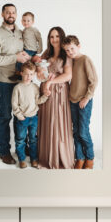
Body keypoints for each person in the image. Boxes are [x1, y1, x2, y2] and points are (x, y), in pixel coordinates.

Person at [0, 3, 31, 164]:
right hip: (6, 83)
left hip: (23, 82)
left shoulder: (22, 33)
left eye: (13, 12)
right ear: (2, 14)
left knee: (23, 116)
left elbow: (27, 53)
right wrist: (15, 57)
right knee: (5, 116)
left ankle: (23, 148)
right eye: (8, 12)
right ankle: (4, 151)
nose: (11, 15)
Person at [36, 26, 74, 170]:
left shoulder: (66, 55)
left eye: (57, 36)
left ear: (62, 37)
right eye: (51, 37)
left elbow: (68, 76)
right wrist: (41, 74)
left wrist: (51, 81)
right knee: (47, 122)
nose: (54, 39)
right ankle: (46, 156)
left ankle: (60, 157)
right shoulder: (47, 53)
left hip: (60, 93)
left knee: (58, 123)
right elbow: (40, 71)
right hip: (46, 92)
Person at [63, 35, 98, 170]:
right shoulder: (71, 62)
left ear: (78, 46)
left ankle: (90, 157)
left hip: (84, 101)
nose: (70, 52)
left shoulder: (85, 60)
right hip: (73, 101)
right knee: (76, 131)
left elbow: (93, 81)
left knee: (83, 131)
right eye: (67, 50)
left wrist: (87, 98)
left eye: (72, 48)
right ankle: (80, 158)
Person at [10, 62, 47, 168]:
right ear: (21, 73)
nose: (28, 77)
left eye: (31, 74)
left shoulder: (35, 87)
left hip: (34, 118)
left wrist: (45, 96)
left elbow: (38, 101)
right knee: (20, 140)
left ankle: (34, 159)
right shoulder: (18, 88)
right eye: (26, 74)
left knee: (33, 140)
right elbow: (14, 104)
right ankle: (22, 159)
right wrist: (19, 115)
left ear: (34, 74)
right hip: (22, 118)